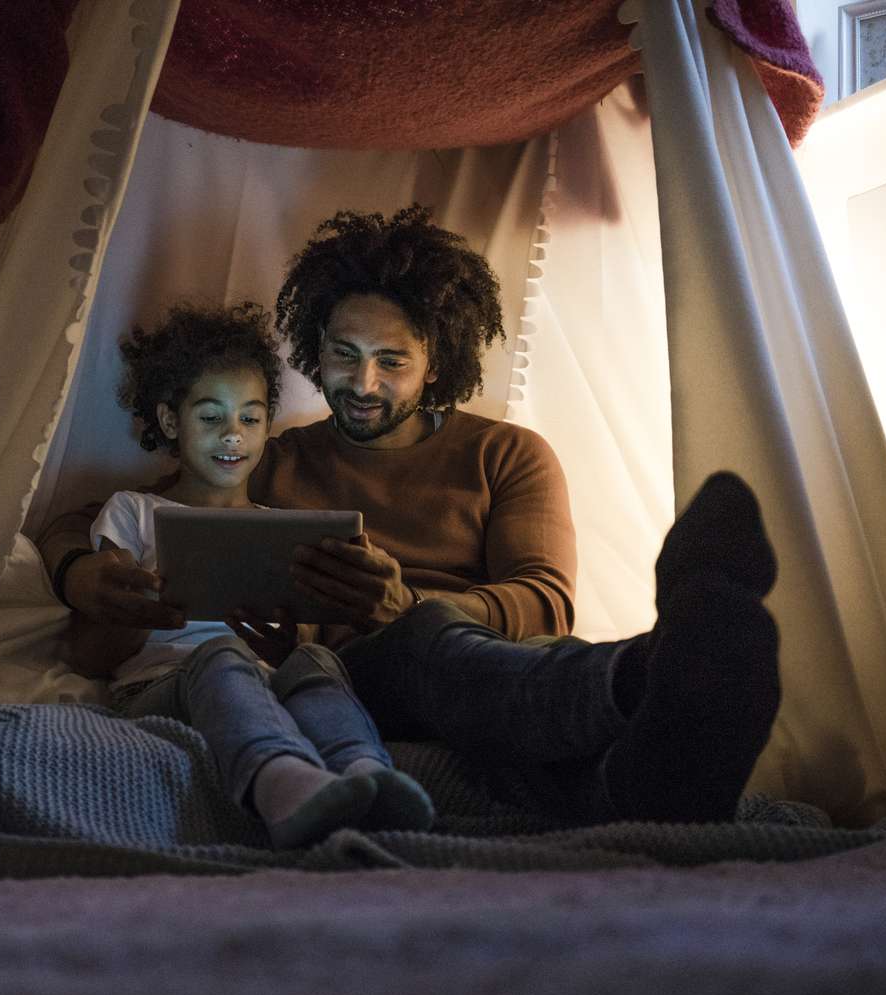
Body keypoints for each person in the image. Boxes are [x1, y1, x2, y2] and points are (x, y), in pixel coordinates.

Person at [43, 206, 780, 825]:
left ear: (438, 361)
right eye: (342, 355)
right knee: (416, 646)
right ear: (315, 352)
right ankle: (652, 672)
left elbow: (544, 602)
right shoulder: (271, 457)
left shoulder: (506, 455)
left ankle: (647, 770)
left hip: (471, 669)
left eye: (392, 361)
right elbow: (101, 519)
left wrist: (408, 604)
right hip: (343, 681)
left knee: (439, 655)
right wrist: (83, 574)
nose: (362, 383)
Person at [78, 301, 435, 850]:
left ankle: (365, 773)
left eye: (249, 418)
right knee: (218, 654)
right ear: (171, 420)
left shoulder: (278, 528)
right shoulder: (133, 511)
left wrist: (292, 640)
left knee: (318, 661)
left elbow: (300, 641)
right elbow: (96, 646)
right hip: (158, 688)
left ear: (268, 425)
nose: (232, 436)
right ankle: (281, 786)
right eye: (211, 417)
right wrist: (141, 609)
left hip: (261, 682)